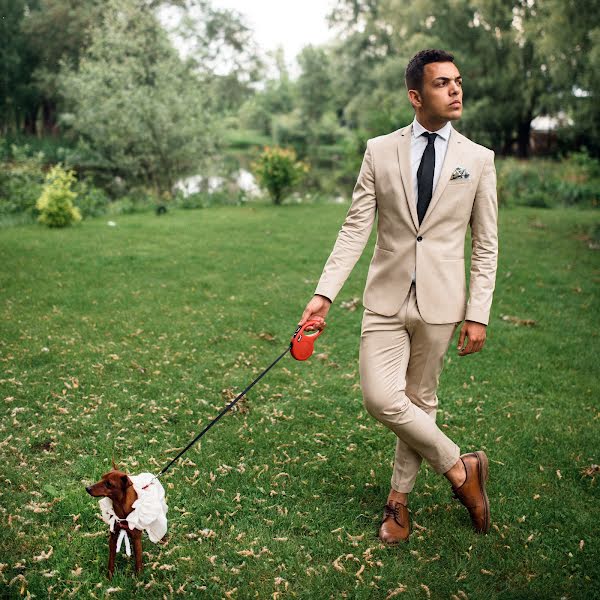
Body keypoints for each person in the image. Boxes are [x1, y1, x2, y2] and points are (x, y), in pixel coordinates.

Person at [298, 49, 498, 544]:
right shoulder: (379, 150)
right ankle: (460, 467)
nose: (455, 90)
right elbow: (354, 227)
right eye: (441, 84)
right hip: (384, 298)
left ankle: (398, 504)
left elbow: (486, 244)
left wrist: (478, 313)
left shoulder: (478, 160)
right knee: (380, 397)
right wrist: (324, 294)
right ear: (415, 95)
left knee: (420, 400)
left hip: (442, 302)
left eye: (457, 81)